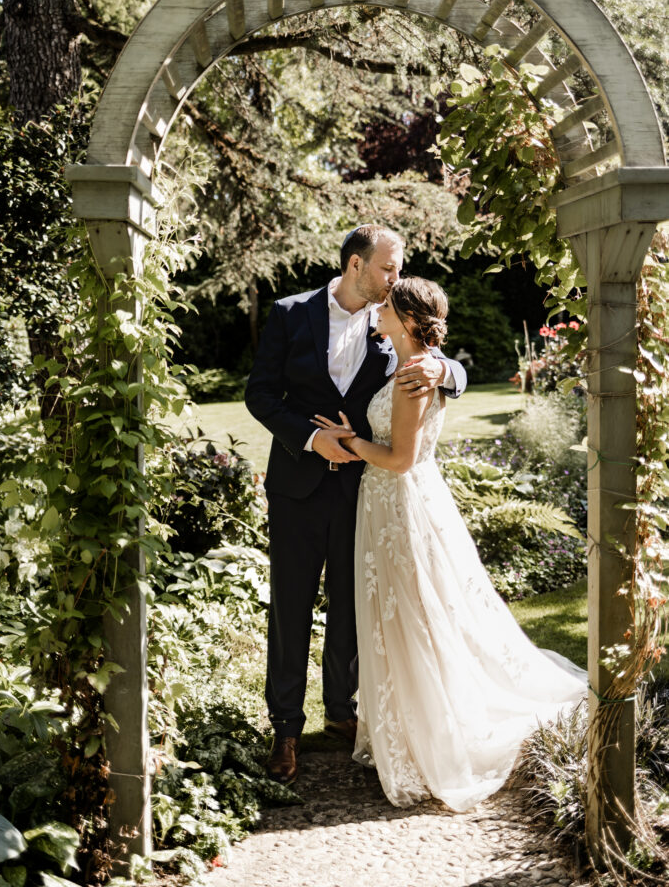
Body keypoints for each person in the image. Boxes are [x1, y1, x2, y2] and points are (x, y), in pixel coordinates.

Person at [312, 276, 586, 811]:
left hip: (402, 502)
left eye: (386, 307)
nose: (377, 312)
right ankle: (411, 730)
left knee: (414, 614)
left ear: (411, 321)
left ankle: (431, 739)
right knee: (405, 612)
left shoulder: (417, 373)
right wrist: (359, 431)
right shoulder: (409, 365)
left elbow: (400, 458)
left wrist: (349, 442)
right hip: (391, 503)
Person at [245, 226, 467, 785]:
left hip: (361, 494)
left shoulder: (390, 323)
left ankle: (341, 713)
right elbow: (260, 395)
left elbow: (445, 362)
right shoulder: (289, 313)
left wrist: (446, 370)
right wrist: (310, 439)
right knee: (290, 607)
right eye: (389, 269)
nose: (396, 280)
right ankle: (286, 729)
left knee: (351, 606)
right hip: (296, 487)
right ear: (355, 266)